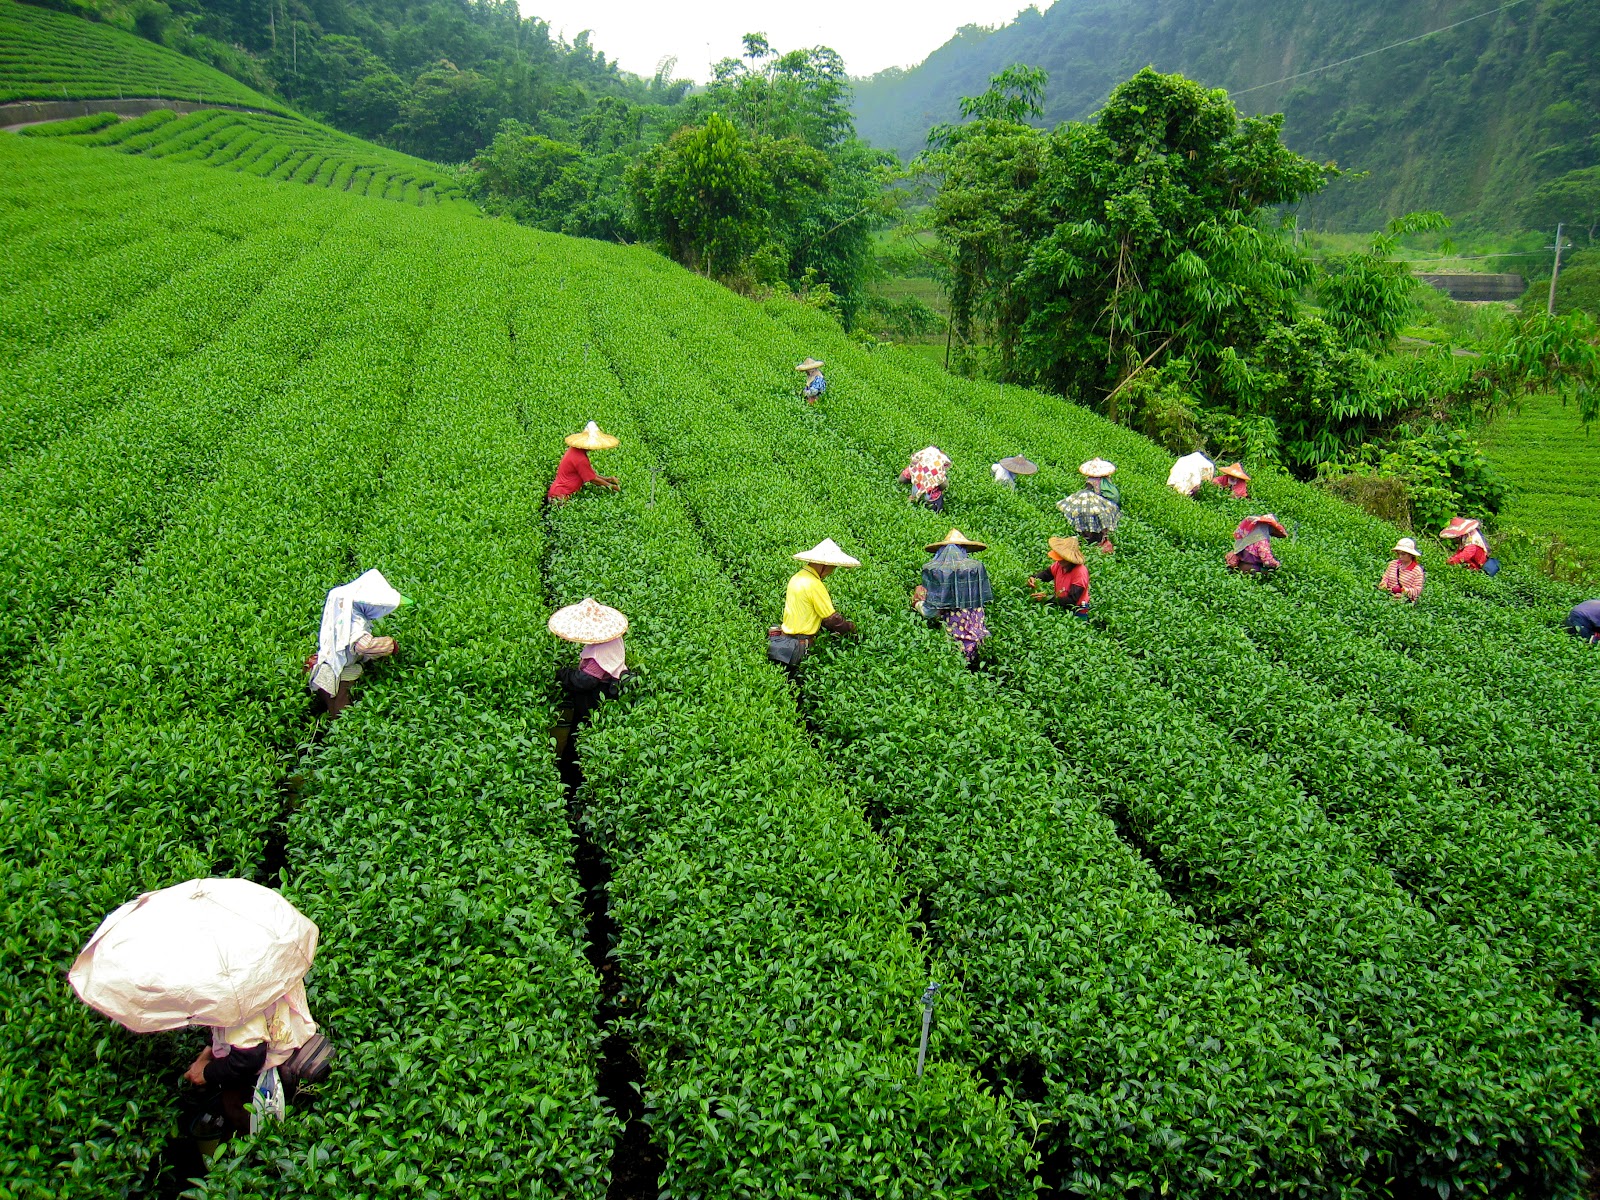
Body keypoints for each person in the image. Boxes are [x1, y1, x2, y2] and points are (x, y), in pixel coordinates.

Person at [306, 569, 408, 718]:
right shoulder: (354, 619)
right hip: (339, 673)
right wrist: (389, 644)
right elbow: (364, 646)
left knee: (332, 708)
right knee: (341, 715)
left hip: (329, 664)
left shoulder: (340, 608)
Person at [768, 539, 860, 674]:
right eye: (832, 567)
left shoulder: (797, 577)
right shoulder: (814, 584)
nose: (831, 571)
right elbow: (832, 619)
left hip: (786, 641)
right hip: (799, 646)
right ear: (823, 565)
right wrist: (852, 631)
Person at [548, 598, 630, 735]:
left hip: (597, 695)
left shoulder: (601, 651)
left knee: (583, 726)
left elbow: (586, 680)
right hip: (607, 686)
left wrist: (563, 674)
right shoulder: (610, 635)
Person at [911, 529, 993, 663]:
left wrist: (917, 602)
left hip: (955, 648)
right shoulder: (973, 573)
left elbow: (930, 612)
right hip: (981, 643)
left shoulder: (941, 575)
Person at [549, 422, 621, 503]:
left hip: (562, 492)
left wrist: (608, 479)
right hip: (560, 495)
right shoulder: (580, 458)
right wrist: (612, 487)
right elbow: (592, 479)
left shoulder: (574, 450)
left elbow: (588, 474)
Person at [1028, 535, 1091, 618]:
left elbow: (1072, 600)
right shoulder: (1059, 565)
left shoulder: (1080, 572)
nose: (1057, 560)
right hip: (1060, 603)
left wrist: (1047, 598)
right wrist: (1034, 578)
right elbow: (1046, 574)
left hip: (1078, 609)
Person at [900, 447, 951, 512]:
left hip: (915, 493)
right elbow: (944, 486)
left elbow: (901, 479)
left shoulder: (916, 467)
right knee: (935, 505)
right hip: (931, 500)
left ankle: (913, 499)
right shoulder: (937, 473)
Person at [1378, 537, 1426, 603]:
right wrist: (1384, 583)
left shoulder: (1417, 571)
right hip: (1387, 597)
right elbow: (1386, 577)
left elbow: (1417, 590)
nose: (1400, 556)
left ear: (1411, 555)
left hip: (1403, 602)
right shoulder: (1393, 564)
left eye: (1403, 554)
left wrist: (1404, 591)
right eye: (1398, 553)